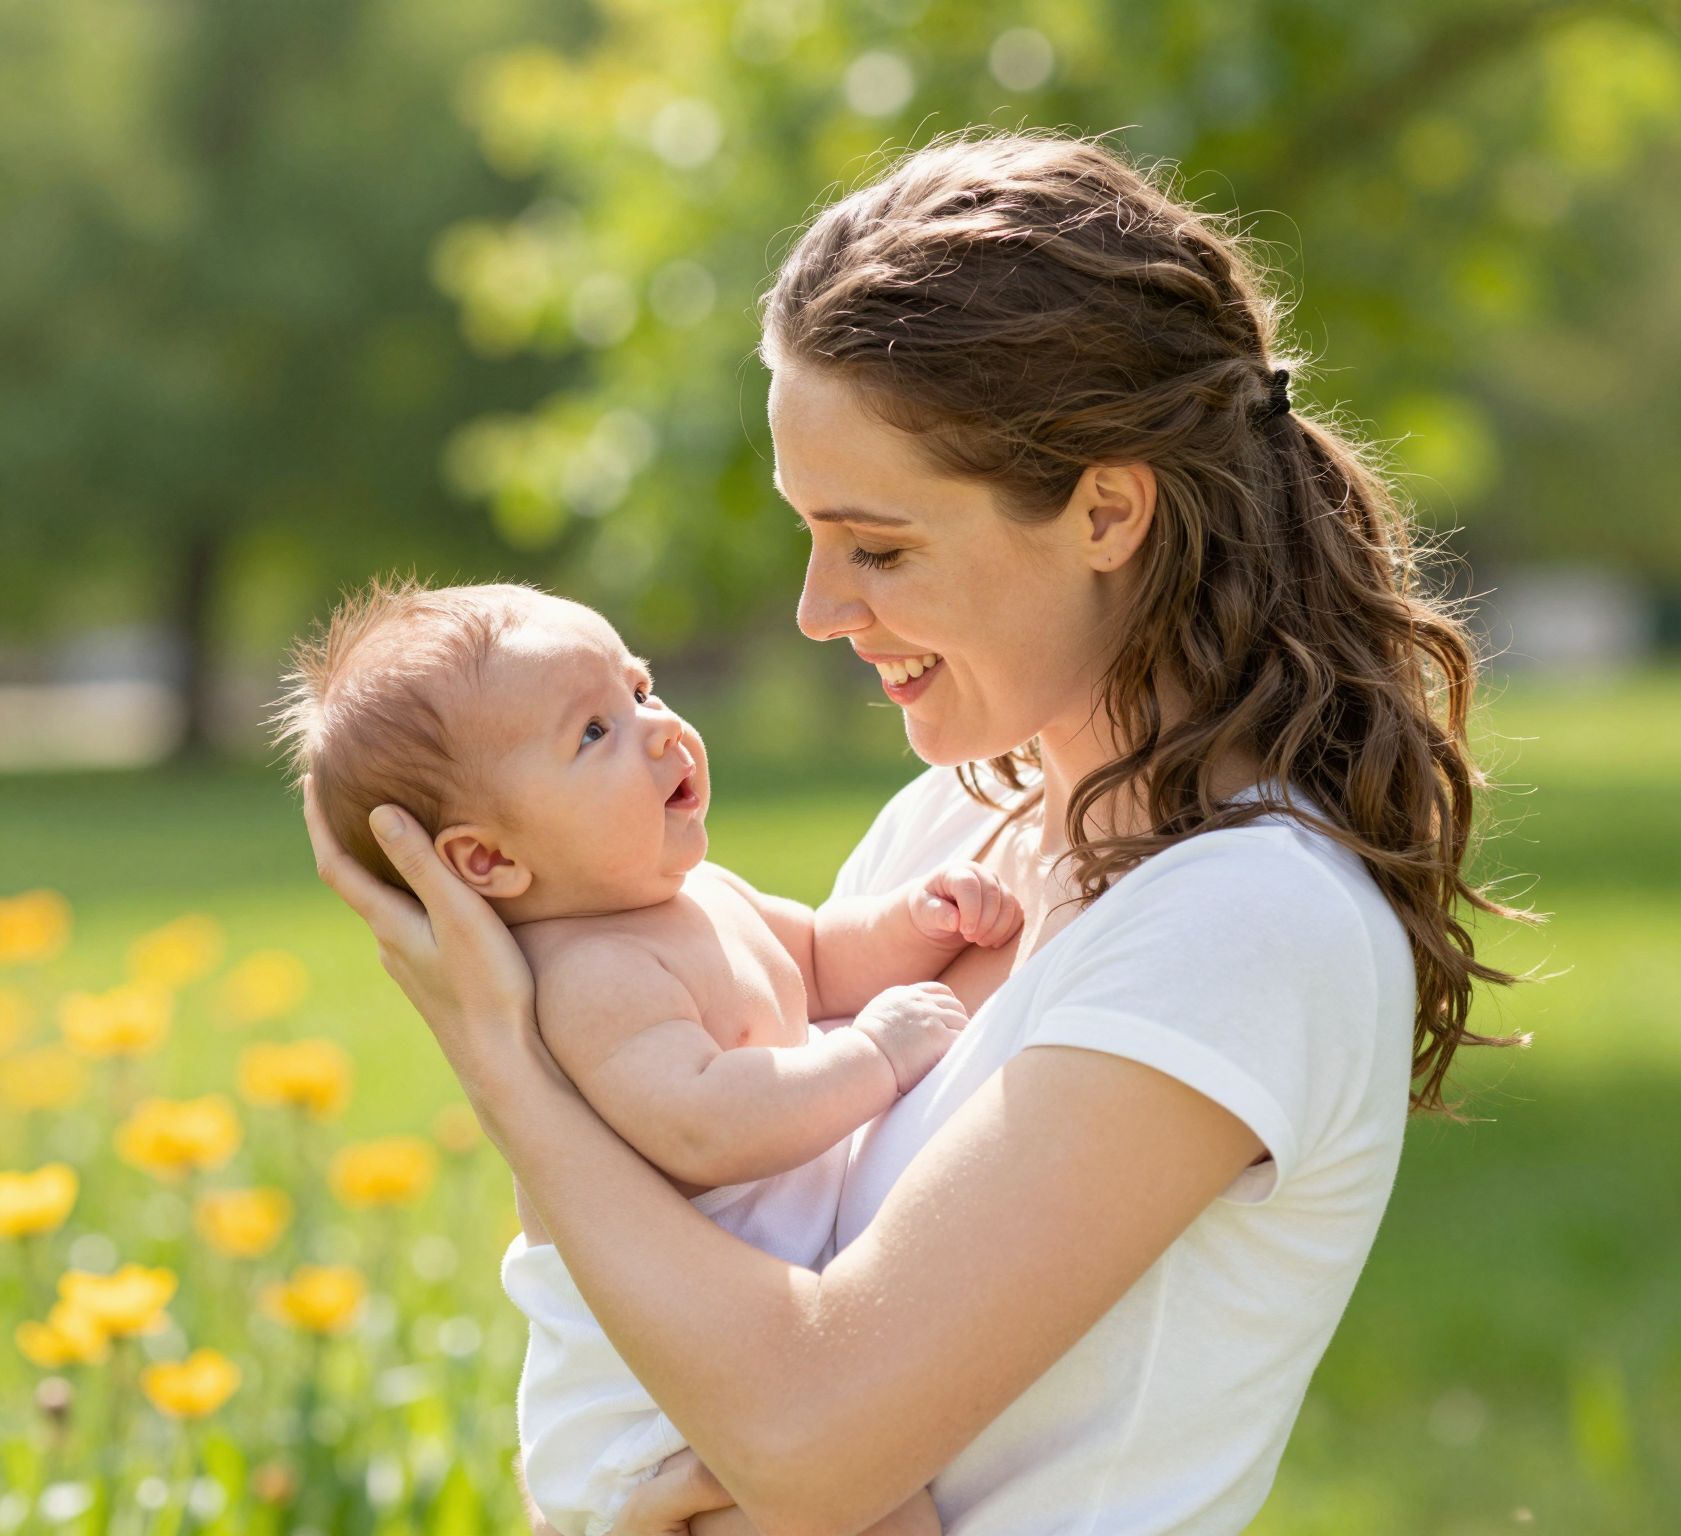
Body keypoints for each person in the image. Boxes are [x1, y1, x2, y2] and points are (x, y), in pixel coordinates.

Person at [306, 130, 1525, 1536]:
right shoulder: (953, 824)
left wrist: (503, 1059)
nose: (821, 609)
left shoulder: (1249, 918)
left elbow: (807, 1441)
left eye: (878, 547)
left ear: (1108, 510)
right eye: (809, 536)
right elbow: (698, 1287)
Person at [277, 578, 1015, 1535]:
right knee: (879, 1517)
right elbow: (708, 1120)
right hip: (652, 1417)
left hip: (723, 1374)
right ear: (487, 863)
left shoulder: (693, 895)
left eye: (639, 687)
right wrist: (872, 1056)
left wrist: (918, 920)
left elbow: (821, 955)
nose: (660, 728)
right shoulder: (587, 981)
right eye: (594, 732)